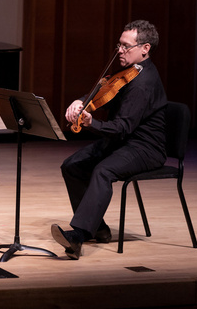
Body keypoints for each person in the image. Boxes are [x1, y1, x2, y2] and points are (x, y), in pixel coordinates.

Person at [51, 20, 167, 260]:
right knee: (72, 165)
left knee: (103, 171)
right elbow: (106, 92)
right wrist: (81, 101)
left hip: (145, 148)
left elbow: (123, 128)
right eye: (119, 45)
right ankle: (100, 230)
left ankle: (79, 235)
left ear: (144, 48)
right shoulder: (129, 73)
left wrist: (92, 123)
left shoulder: (142, 84)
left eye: (126, 46)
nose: (119, 51)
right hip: (124, 142)